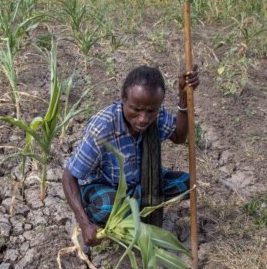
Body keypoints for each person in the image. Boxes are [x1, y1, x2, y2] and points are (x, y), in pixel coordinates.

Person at [61, 65, 200, 246]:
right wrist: (84, 223)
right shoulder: (102, 128)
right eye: (135, 109)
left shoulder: (156, 114)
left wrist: (184, 96)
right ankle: (108, 214)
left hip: (138, 182)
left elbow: (179, 137)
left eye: (150, 111)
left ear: (158, 105)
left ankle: (137, 207)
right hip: (104, 186)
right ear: (123, 99)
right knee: (106, 206)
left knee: (188, 184)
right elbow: (68, 176)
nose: (143, 119)